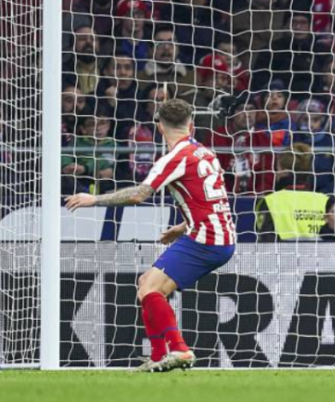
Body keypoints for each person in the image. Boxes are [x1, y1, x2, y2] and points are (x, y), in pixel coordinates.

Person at [65, 99, 236, 372]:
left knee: (150, 290)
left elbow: (138, 194)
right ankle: (158, 356)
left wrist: (94, 199)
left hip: (206, 239)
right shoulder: (205, 153)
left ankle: (179, 350)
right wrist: (183, 226)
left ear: (159, 127)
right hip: (215, 234)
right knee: (145, 283)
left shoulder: (173, 158)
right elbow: (211, 201)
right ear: (191, 125)